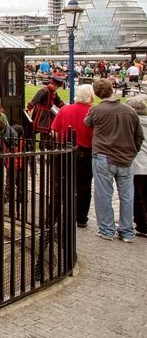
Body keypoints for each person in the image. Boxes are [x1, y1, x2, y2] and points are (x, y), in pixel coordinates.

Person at [84, 79, 143, 242]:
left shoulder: (96, 110)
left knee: (103, 193)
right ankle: (127, 231)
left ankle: (107, 230)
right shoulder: (129, 110)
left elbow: (87, 123)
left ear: (96, 93)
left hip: (104, 156)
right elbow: (139, 137)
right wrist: (132, 152)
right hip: (124, 157)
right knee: (126, 195)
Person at [50, 83, 95, 228]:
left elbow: (54, 131)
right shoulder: (91, 112)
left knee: (59, 184)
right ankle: (80, 218)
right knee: (83, 187)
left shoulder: (65, 109)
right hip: (84, 151)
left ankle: (53, 216)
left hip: (64, 149)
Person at [125, 95, 147, 238]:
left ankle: (142, 224)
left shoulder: (133, 123)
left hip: (137, 162)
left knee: (137, 195)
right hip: (141, 162)